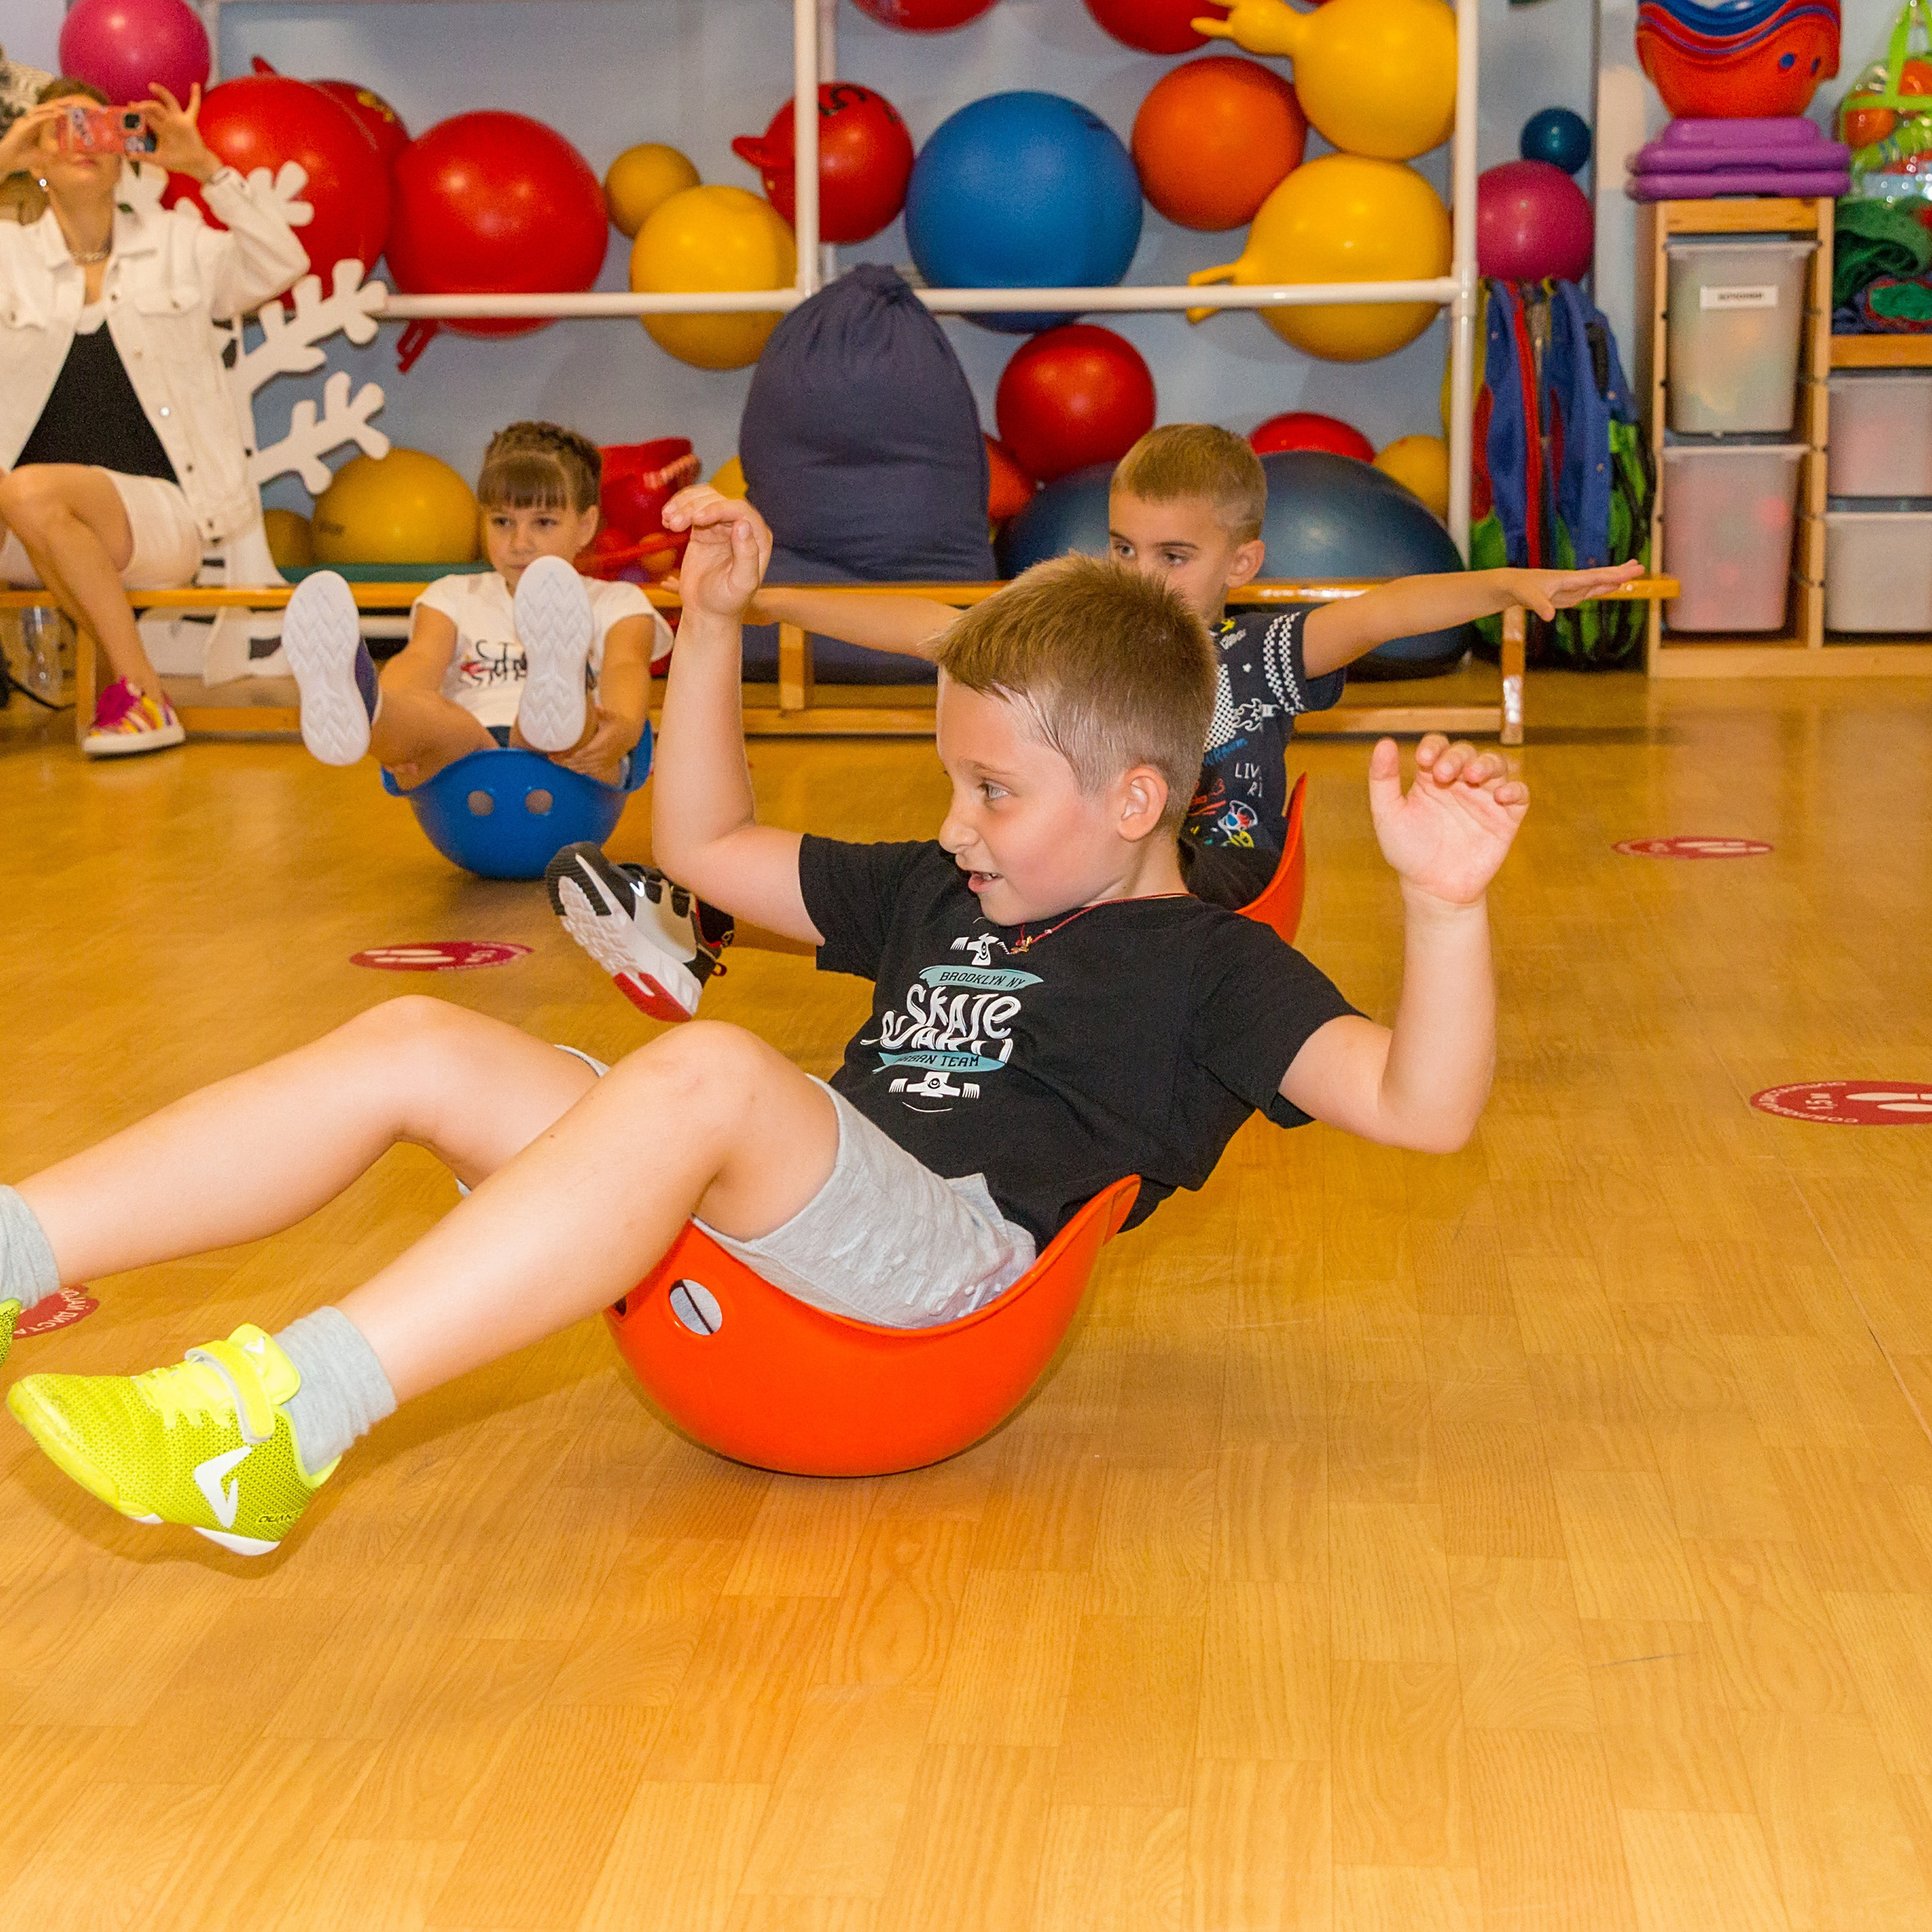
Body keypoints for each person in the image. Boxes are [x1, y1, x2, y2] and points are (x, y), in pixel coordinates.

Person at [3, 487, 1527, 1559]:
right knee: (417, 1039)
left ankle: (284, 1419)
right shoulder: (946, 887)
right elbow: (706, 845)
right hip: (803, 1199)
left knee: (715, 1066)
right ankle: (19, 1242)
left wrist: (1444, 911)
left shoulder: (1204, 963)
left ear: (1136, 797)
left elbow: (1420, 1102)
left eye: (994, 790)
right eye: (954, 779)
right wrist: (712, 624)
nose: (958, 824)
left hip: (942, 1270)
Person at [749, 423, 1639, 907]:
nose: (1142, 574)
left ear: (1239, 565)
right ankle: (712, 909)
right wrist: (767, 599)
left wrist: (1512, 584)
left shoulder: (1255, 662)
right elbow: (928, 629)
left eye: (1173, 556)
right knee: (942, 867)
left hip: (1219, 882)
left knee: (1028, 870)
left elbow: (1386, 611)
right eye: (1123, 548)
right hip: (1099, 874)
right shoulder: (1083, 644)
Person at [0, 78, 308, 755]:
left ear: (125, 151)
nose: (83, 143)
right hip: (29, 529)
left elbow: (282, 262)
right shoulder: (9, 258)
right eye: (62, 127)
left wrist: (204, 167)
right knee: (26, 495)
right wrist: (1, 160)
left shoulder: (179, 245)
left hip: (160, 516)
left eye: (101, 128)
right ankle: (137, 694)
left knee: (27, 487)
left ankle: (139, 689)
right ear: (38, 156)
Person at [281, 420, 668, 793]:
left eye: (544, 522)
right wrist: (400, 726)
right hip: (466, 768)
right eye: (502, 521)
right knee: (445, 723)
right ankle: (369, 707)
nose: (520, 542)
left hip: (575, 770)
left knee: (557, 732)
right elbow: (418, 662)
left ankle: (560, 698)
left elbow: (625, 666)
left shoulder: (618, 602)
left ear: (585, 527)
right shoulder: (452, 596)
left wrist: (625, 724)